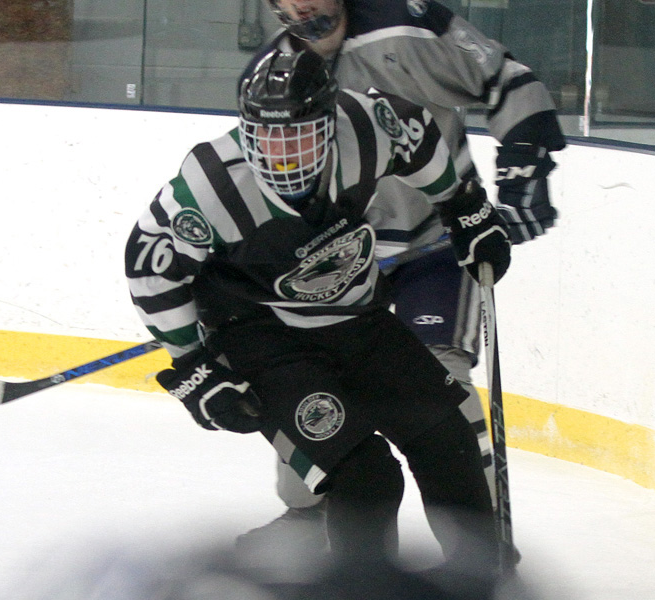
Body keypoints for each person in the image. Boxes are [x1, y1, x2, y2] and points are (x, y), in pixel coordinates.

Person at [125, 48, 510, 574]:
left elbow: (414, 133)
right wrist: (194, 367)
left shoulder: (363, 126)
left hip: (356, 316)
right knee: (368, 479)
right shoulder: (211, 186)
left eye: (298, 135)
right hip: (261, 340)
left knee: (449, 439)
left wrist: (462, 206)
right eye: (267, 136)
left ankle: (480, 577)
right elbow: (150, 268)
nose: (282, 154)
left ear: (329, 123)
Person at [236, 0, 566, 554]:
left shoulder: (406, 25)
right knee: (314, 395)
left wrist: (523, 160)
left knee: (445, 391)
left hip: (432, 245)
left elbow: (505, 78)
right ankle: (308, 513)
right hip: (337, 264)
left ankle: (478, 545)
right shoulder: (271, 77)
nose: (303, 4)